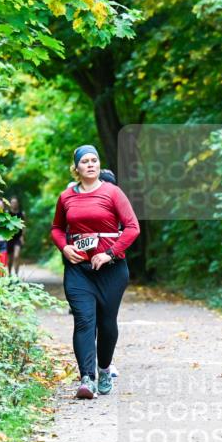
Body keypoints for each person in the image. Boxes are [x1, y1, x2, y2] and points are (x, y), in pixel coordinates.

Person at [51, 145, 140, 399]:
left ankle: (103, 369)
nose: (91, 164)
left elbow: (132, 228)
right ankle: (86, 378)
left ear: (99, 165)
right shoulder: (66, 197)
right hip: (79, 270)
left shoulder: (113, 193)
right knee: (83, 321)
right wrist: (65, 247)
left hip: (111, 270)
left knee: (106, 324)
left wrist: (110, 252)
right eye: (85, 161)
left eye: (94, 160)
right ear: (76, 168)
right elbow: (57, 228)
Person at [6, 195, 25, 276]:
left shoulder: (22, 214)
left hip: (18, 237)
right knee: (10, 258)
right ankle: (10, 274)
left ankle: (16, 275)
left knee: (16, 256)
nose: (14, 204)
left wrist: (22, 236)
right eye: (12, 202)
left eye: (15, 202)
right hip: (9, 237)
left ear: (18, 204)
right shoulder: (7, 213)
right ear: (10, 204)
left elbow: (24, 226)